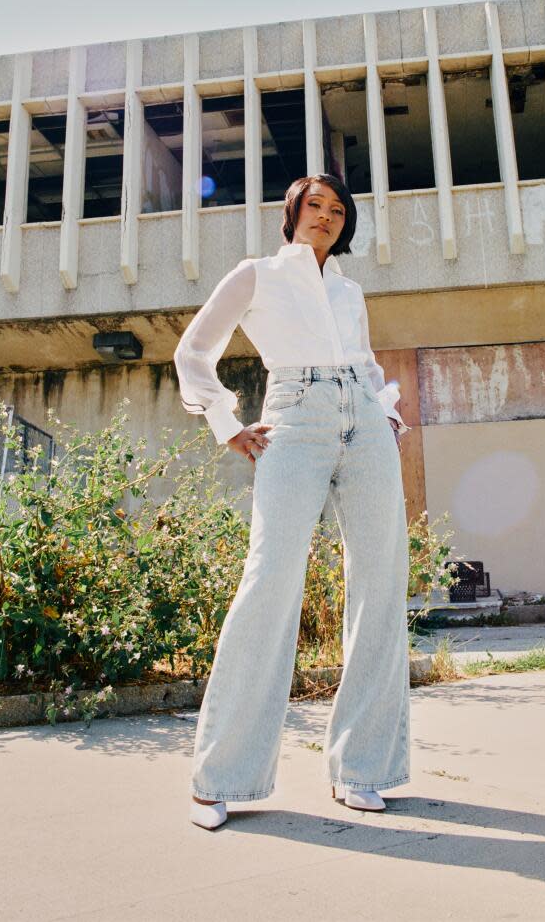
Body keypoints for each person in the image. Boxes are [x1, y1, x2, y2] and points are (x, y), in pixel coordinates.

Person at [174, 173, 412, 831]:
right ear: (292, 212)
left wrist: (383, 411)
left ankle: (362, 768)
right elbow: (193, 351)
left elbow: (363, 362)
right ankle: (220, 779)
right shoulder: (256, 275)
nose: (327, 216)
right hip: (294, 415)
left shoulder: (349, 290)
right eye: (316, 205)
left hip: (362, 421)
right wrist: (228, 422)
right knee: (271, 579)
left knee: (382, 582)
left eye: (339, 210)